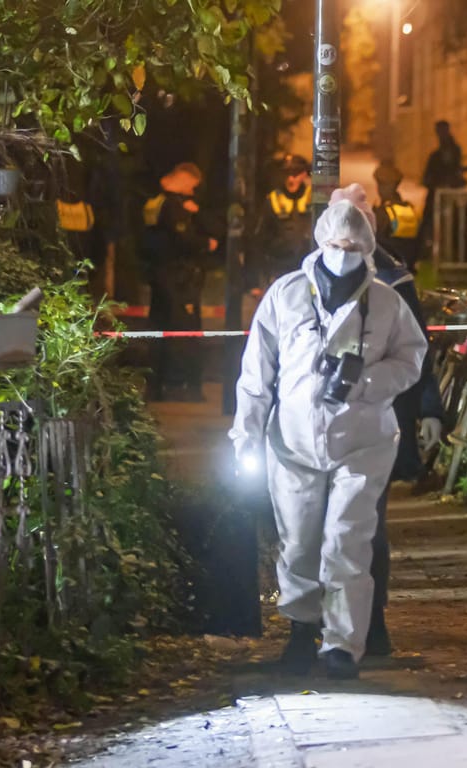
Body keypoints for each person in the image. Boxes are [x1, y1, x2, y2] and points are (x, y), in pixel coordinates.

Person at [230, 200, 428, 679]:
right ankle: (302, 630)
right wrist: (246, 437)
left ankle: (342, 645)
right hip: (292, 444)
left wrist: (364, 383)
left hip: (362, 443)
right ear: (320, 243)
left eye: (354, 246)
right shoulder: (285, 296)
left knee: (347, 542)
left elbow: (411, 359)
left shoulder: (385, 302)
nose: (344, 253)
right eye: (337, 245)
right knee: (298, 541)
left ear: (369, 248)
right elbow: (257, 375)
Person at [328, 184, 443, 656]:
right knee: (314, 528)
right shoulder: (304, 279)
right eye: (348, 211)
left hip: (373, 423)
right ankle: (320, 625)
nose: (358, 219)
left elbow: (417, 350)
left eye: (365, 210)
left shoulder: (393, 280)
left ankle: (370, 624)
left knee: (366, 524)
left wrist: (430, 407)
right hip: (310, 427)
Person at [142, 162, 217, 401]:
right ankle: (184, 386)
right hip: (178, 279)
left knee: (158, 330)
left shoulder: (153, 201)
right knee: (185, 332)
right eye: (192, 186)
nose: (192, 192)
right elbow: (183, 237)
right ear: (183, 179)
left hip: (158, 275)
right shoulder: (173, 206)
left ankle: (155, 386)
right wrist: (206, 244)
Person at [254, 154, 314, 288]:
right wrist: (257, 279)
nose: (290, 178)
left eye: (296, 173)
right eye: (287, 173)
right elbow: (260, 238)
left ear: (304, 174)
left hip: (307, 264)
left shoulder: (314, 197)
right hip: (278, 265)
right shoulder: (273, 199)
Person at [418, 120, 466, 261]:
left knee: (447, 222)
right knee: (429, 222)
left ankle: (446, 252)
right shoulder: (437, 155)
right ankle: (427, 251)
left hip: (446, 194)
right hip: (436, 194)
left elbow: (454, 170)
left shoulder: (451, 151)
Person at [373, 162, 421, 273]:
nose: (379, 189)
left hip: (388, 269)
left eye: (380, 185)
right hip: (408, 268)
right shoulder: (409, 209)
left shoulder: (383, 212)